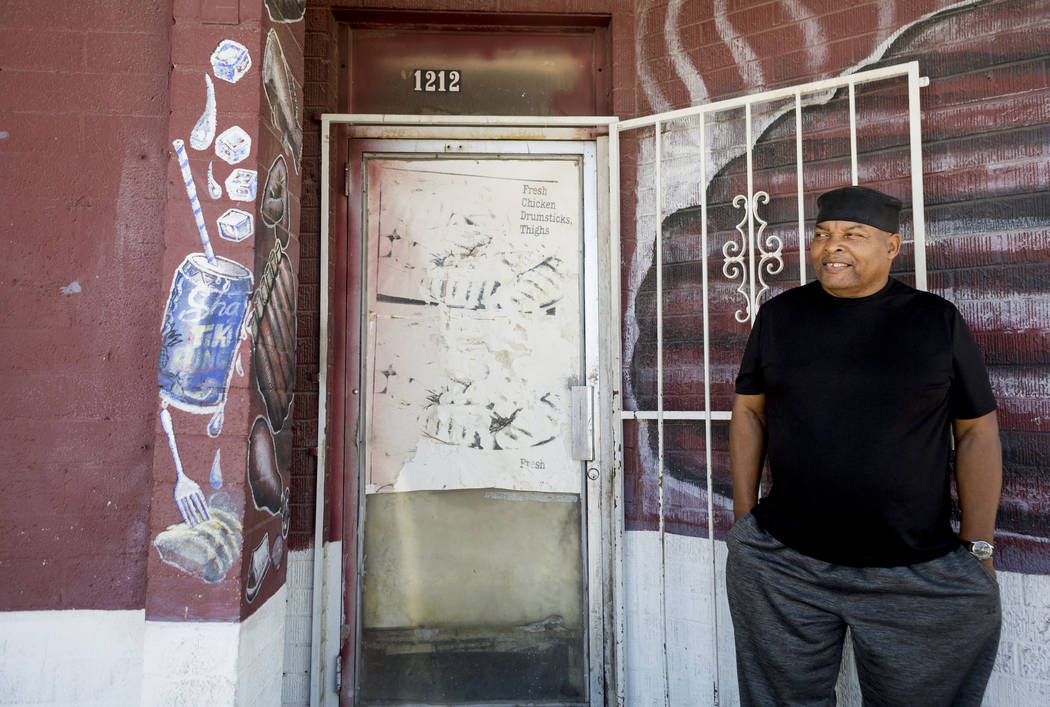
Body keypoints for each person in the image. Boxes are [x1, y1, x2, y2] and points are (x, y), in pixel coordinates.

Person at [726, 185, 1003, 706]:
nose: (832, 246)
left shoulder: (935, 321)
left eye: (853, 235)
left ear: (892, 246)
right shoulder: (780, 317)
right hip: (785, 566)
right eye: (822, 234)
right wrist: (745, 526)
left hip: (914, 572)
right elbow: (749, 412)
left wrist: (979, 547)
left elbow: (976, 432)